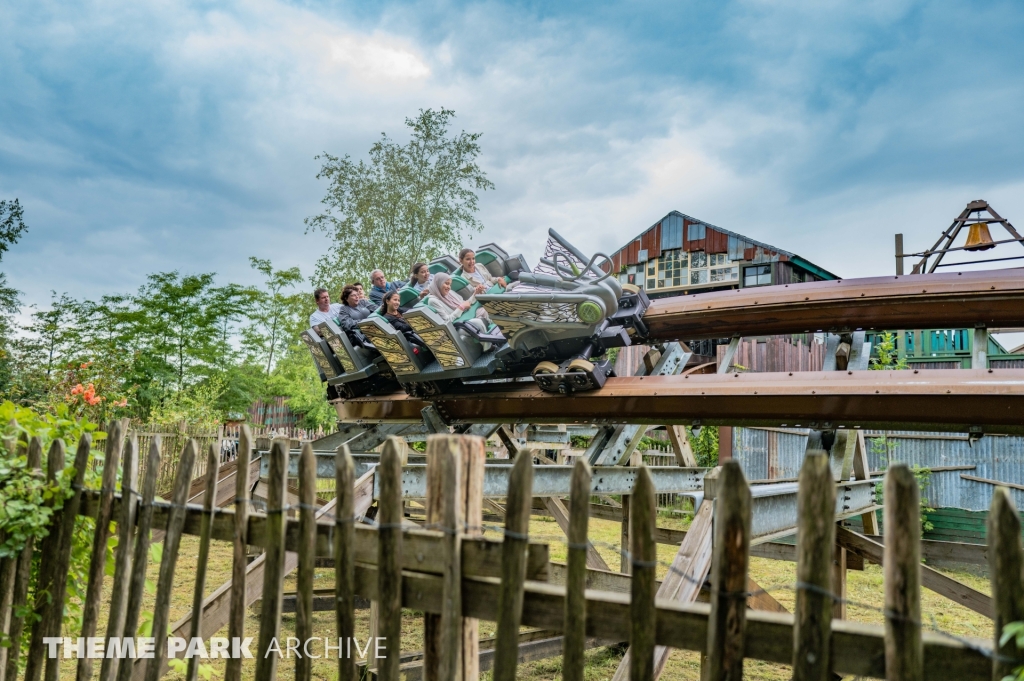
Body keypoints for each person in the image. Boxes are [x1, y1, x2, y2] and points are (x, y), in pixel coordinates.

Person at [425, 273, 490, 329]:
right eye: (447, 283)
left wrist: (476, 293)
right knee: (478, 323)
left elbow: (465, 303)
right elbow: (447, 320)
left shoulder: (449, 292)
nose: (449, 287)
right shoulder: (432, 301)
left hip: (468, 314)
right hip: (459, 324)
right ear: (438, 283)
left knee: (487, 310)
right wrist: (461, 307)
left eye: (450, 284)